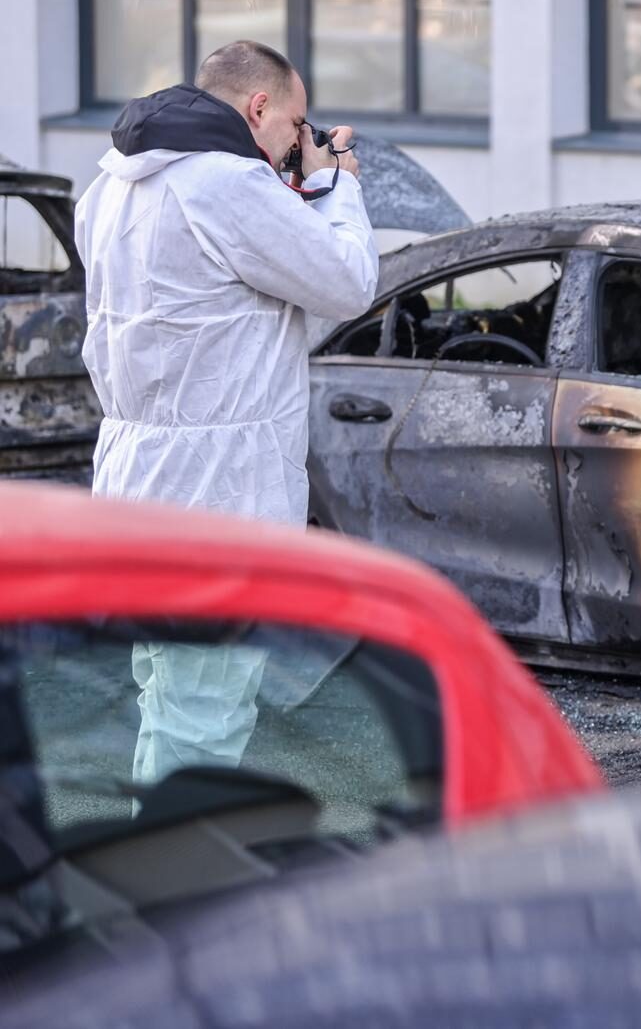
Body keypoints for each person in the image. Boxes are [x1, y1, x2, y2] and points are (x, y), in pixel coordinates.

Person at [74, 41, 379, 786]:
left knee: (170, 699)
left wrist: (295, 198)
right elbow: (347, 283)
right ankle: (179, 889)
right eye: (295, 125)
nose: (295, 145)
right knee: (205, 716)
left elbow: (228, 313)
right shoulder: (227, 183)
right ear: (258, 108)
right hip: (218, 494)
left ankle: (150, 880)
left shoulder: (109, 188)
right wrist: (336, 189)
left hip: (134, 480)